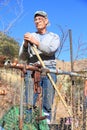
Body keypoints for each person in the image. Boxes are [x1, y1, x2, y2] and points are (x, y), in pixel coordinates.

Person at [19, 10, 60, 124]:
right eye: (35, 20)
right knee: (29, 100)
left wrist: (35, 42)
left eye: (40, 19)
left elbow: (50, 50)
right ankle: (28, 124)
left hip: (48, 71)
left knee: (48, 101)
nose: (37, 21)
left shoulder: (54, 37)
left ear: (46, 21)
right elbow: (22, 56)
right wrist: (26, 44)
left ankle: (45, 124)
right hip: (32, 71)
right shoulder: (31, 36)